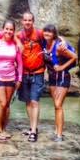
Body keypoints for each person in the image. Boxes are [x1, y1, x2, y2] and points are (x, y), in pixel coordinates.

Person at [42, 24, 77, 142]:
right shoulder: (44, 44)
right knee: (56, 106)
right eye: (45, 31)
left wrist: (62, 67)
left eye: (49, 32)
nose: (47, 34)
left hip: (62, 77)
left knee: (58, 105)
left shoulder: (59, 47)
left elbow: (74, 57)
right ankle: (57, 131)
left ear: (53, 35)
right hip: (52, 78)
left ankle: (59, 135)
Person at [16, 11, 48, 142]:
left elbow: (53, 37)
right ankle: (32, 127)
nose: (27, 22)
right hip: (24, 73)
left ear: (33, 21)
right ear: (22, 21)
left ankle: (34, 131)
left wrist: (62, 41)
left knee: (34, 101)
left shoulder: (39, 34)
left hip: (38, 72)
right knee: (28, 102)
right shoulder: (18, 35)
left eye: (30, 20)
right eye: (25, 20)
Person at [0, 20, 22, 141]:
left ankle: (4, 129)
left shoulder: (15, 46)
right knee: (2, 103)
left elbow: (19, 64)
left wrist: (19, 78)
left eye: (11, 29)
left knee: (7, 105)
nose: (8, 31)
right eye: (7, 29)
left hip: (11, 78)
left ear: (13, 31)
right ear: (2, 29)